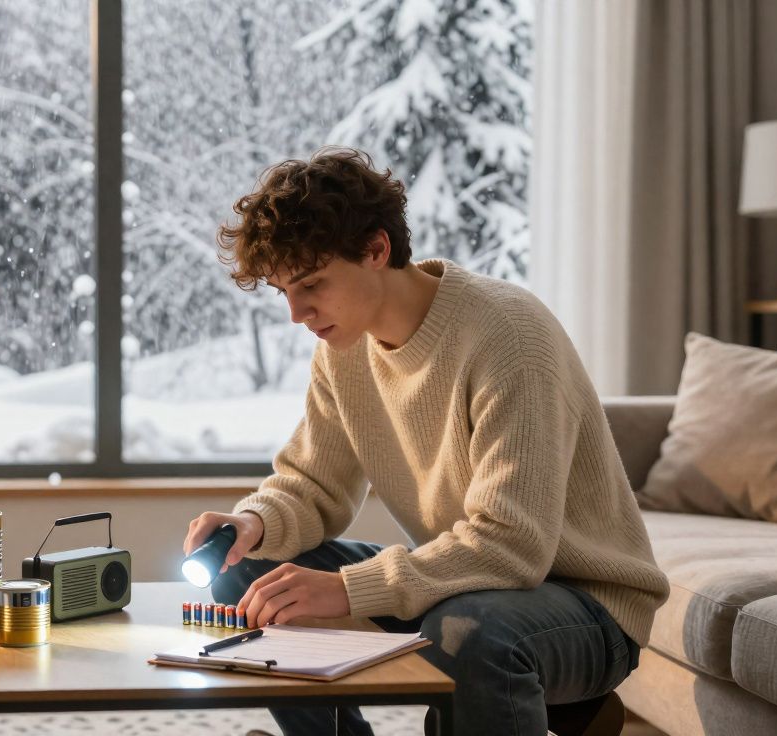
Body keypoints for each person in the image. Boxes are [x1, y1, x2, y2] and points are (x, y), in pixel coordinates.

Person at [181, 147, 669, 736]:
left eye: (311, 284)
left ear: (377, 249)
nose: (296, 313)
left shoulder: (508, 334)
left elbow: (513, 544)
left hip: (585, 606)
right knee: (251, 573)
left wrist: (347, 589)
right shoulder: (344, 350)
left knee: (465, 631)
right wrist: (253, 524)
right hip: (464, 586)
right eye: (284, 291)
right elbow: (311, 485)